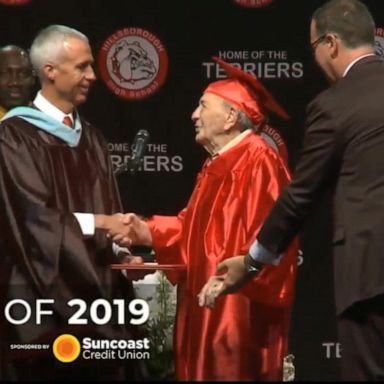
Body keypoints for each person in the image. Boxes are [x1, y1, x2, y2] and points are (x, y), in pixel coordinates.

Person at [199, 0, 384, 381]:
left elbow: (301, 196)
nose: (315, 58)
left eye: (313, 47)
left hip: (373, 276)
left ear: (330, 44)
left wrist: (251, 263)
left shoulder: (336, 104)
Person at [108, 57, 299, 381]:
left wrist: (233, 277)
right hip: (202, 308)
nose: (193, 115)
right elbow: (192, 230)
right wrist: (144, 230)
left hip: (235, 314)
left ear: (229, 117)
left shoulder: (258, 159)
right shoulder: (216, 165)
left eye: (203, 106)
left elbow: (271, 243)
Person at [0, 25, 142, 380]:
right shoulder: (14, 136)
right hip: (41, 307)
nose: (93, 76)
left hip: (98, 304)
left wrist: (123, 254)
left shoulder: (92, 138)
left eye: (91, 66)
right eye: (82, 67)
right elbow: (33, 222)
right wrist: (101, 224)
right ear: (50, 70)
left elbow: (108, 209)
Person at [0, 45, 35, 118]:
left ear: (33, 78)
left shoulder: (49, 120)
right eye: (5, 74)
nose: (15, 82)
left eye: (23, 73)